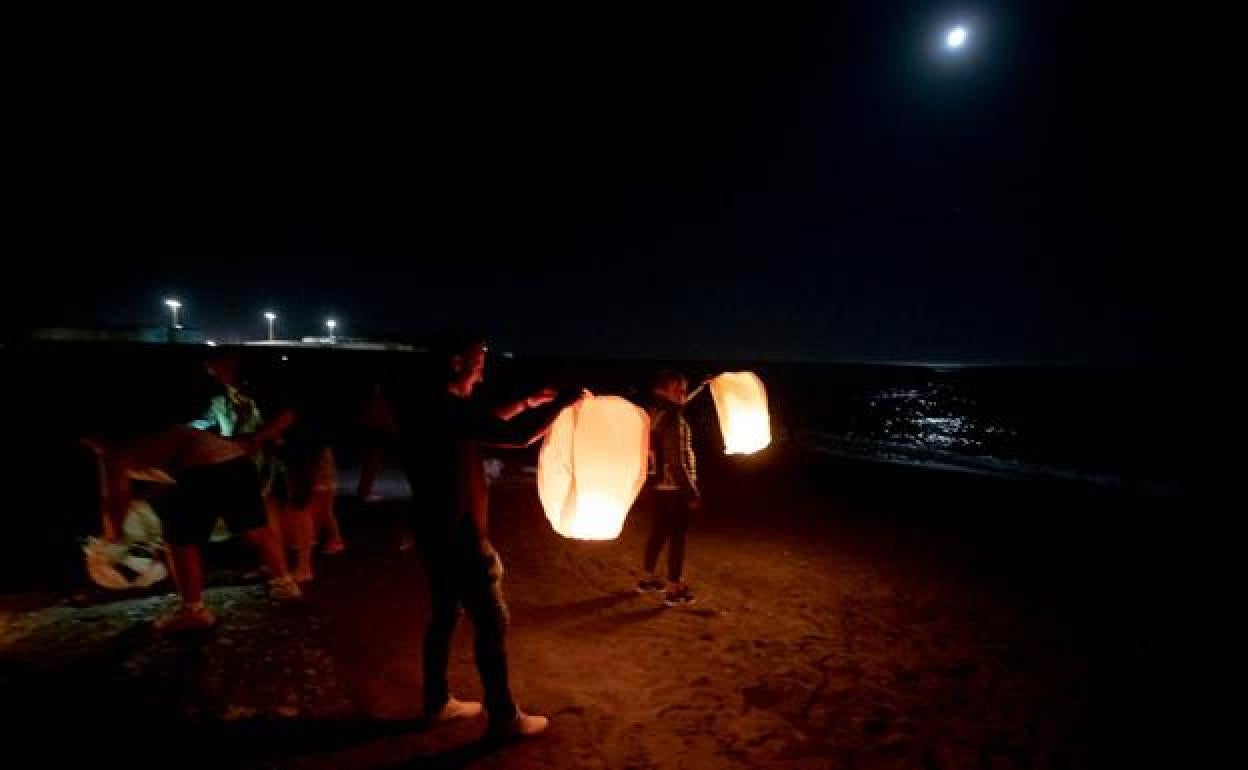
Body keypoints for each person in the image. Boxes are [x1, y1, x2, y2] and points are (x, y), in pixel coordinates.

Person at [396, 330, 560, 740]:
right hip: (460, 533)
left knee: (445, 614)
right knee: (491, 619)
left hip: (433, 529)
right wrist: (565, 407)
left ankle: (437, 701)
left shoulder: (428, 405)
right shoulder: (446, 408)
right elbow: (515, 436)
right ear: (456, 363)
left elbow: (483, 423)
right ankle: (504, 716)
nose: (483, 372)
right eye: (478, 363)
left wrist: (527, 403)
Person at [89, 424, 302, 632]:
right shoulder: (151, 434)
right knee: (256, 528)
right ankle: (285, 584)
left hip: (201, 467)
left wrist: (111, 539)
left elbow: (115, 500)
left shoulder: (114, 450)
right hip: (236, 461)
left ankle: (193, 611)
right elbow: (164, 479)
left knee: (180, 541)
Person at [636, 370, 701, 606]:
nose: (682, 395)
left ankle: (647, 578)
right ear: (661, 391)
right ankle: (674, 588)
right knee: (677, 536)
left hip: (656, 485)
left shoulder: (653, 415)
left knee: (658, 532)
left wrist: (699, 387)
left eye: (684, 391)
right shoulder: (674, 420)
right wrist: (691, 492)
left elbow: (677, 406)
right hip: (675, 489)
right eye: (677, 390)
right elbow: (676, 463)